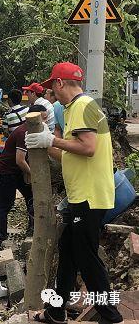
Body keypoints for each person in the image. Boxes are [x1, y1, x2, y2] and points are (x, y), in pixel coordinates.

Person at [26, 62, 123, 324]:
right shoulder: (75, 108)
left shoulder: (81, 106)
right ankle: (56, 311)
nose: (51, 94)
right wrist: (42, 144)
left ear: (60, 83)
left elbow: (88, 148)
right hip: (83, 195)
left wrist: (51, 140)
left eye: (52, 88)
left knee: (86, 257)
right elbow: (69, 153)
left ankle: (111, 316)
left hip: (89, 196)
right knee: (68, 251)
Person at [0, 105, 48, 251]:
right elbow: (20, 160)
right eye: (43, 118)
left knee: (31, 197)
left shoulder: (33, 132)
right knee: (5, 206)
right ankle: (0, 240)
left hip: (16, 172)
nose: (45, 121)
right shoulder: (24, 133)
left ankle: (32, 230)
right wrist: (33, 175)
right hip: (5, 172)